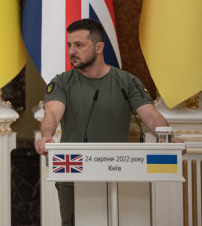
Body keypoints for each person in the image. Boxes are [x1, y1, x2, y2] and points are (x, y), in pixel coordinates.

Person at [34, 18, 175, 226]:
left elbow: (151, 116)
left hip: (122, 172)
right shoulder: (62, 82)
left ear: (99, 47)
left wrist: (167, 137)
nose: (72, 51)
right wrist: (46, 135)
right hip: (74, 174)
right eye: (69, 45)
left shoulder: (127, 81)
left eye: (79, 45)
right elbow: (52, 115)